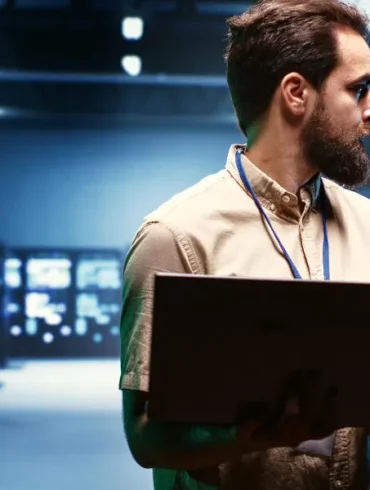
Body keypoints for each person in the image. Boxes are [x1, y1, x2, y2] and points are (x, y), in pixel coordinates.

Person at [119, 0, 370, 488]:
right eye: (358, 89)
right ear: (296, 93)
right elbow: (145, 439)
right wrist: (248, 435)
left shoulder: (369, 225)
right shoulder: (175, 235)